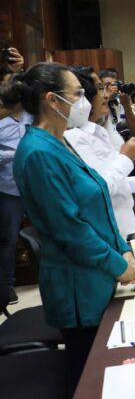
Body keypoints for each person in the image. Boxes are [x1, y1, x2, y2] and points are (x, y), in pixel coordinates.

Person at [2, 63, 135, 395]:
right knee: (92, 382)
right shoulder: (37, 152)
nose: (84, 100)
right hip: (78, 288)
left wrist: (121, 246)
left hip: (97, 274)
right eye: (77, 93)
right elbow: (70, 229)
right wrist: (118, 265)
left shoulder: (60, 141)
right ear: (53, 100)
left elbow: (95, 200)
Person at [64, 66, 135, 239]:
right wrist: (126, 158)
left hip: (124, 226)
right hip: (107, 234)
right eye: (99, 89)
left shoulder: (98, 130)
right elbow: (98, 188)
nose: (106, 95)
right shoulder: (73, 138)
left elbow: (113, 179)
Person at [0, 67, 32, 305]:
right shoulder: (1, 122)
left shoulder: (34, 116)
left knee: (49, 228)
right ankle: (8, 286)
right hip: (8, 188)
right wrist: (14, 154)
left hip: (35, 185)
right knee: (8, 239)